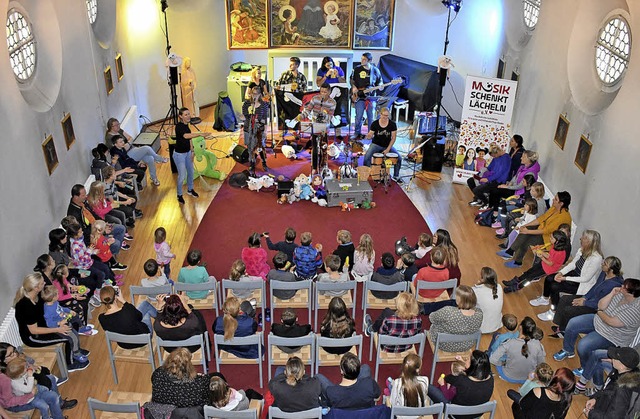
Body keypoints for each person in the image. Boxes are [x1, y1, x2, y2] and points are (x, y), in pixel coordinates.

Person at [552, 279, 640, 370]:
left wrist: (599, 312)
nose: (621, 287)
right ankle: (568, 350)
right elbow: (600, 305)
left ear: (631, 293)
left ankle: (585, 367)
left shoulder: (635, 310)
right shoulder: (619, 294)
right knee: (572, 323)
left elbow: (611, 322)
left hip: (611, 335)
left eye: (624, 287)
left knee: (583, 346)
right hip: (599, 321)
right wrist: (612, 293)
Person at [13, 273, 89, 372]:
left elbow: (51, 309)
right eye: (42, 283)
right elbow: (34, 330)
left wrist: (63, 315)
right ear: (36, 287)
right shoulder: (25, 306)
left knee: (72, 324)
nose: (45, 283)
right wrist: (58, 328)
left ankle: (76, 349)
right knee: (68, 337)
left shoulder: (38, 295)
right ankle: (71, 364)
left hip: (48, 325)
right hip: (34, 337)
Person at [530, 229, 604, 321]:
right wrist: (561, 273)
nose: (580, 239)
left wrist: (564, 278)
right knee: (549, 278)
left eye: (583, 238)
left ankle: (553, 311)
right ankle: (544, 298)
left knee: (555, 287)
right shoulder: (582, 250)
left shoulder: (597, 259)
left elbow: (585, 278)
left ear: (589, 241)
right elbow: (573, 264)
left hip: (581, 283)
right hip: (573, 275)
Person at [550, 256, 623, 337]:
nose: (602, 264)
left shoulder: (614, 285)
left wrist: (585, 303)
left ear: (611, 270)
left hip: (595, 306)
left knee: (569, 310)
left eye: (605, 264)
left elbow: (601, 304)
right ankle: (560, 325)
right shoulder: (604, 273)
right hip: (589, 298)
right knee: (564, 299)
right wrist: (584, 297)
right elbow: (595, 286)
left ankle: (563, 332)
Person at [499, 191, 572, 268]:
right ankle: (511, 253)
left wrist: (528, 231)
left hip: (549, 238)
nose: (553, 199)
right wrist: (525, 226)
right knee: (525, 231)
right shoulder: (554, 208)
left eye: (556, 199)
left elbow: (546, 231)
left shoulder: (563, 217)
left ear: (561, 203)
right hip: (542, 230)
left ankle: (515, 258)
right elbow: (541, 219)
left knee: (525, 240)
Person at [427, 350, 494, 417]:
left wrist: (443, 384)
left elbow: (448, 378)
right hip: (477, 413)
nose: (466, 359)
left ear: (472, 366)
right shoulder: (490, 379)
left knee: (427, 386)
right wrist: (463, 362)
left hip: (456, 414)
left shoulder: (461, 380)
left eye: (467, 359)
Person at [66, 183, 129, 253]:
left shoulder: (82, 203)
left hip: (98, 226)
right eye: (83, 195)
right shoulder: (74, 214)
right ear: (76, 197)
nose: (86, 196)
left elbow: (94, 214)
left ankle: (110, 252)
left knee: (121, 228)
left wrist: (104, 224)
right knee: (116, 243)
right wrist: (101, 230)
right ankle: (107, 256)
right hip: (92, 236)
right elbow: (84, 231)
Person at [2, 356, 70, 419]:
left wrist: (34, 369)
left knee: (53, 396)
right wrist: (30, 376)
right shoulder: (14, 383)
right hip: (27, 399)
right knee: (43, 405)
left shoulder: (20, 374)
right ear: (21, 373)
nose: (27, 367)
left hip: (34, 392)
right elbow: (28, 389)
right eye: (26, 367)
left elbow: (32, 373)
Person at [503, 229, 569, 294]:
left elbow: (550, 263)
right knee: (528, 272)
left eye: (551, 238)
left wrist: (541, 257)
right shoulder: (554, 246)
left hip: (547, 269)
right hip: (543, 264)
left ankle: (517, 287)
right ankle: (516, 281)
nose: (550, 239)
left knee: (529, 278)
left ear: (557, 241)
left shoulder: (560, 253)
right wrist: (542, 252)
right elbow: (550, 256)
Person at [581, 346, 640, 418]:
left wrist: (591, 414)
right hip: (603, 408)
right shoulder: (619, 371)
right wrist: (596, 399)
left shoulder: (622, 390)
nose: (612, 358)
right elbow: (606, 389)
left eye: (615, 358)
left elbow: (613, 417)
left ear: (622, 366)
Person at [490, 317, 545, 383]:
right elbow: (541, 363)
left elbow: (492, 359)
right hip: (527, 378)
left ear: (520, 327)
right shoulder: (538, 345)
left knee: (496, 338)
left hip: (508, 376)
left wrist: (502, 363)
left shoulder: (509, 343)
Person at [428, 285, 483, 352]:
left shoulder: (448, 311)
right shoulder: (479, 314)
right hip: (466, 345)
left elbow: (432, 318)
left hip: (444, 344)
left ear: (459, 300)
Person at [175, 107, 208, 204]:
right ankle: (179, 194)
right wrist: (200, 134)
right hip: (179, 155)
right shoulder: (179, 127)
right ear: (180, 116)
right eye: (185, 114)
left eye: (189, 114)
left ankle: (190, 189)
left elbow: (189, 140)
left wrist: (192, 151)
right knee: (182, 176)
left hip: (188, 153)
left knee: (191, 172)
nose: (188, 116)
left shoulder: (187, 126)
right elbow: (186, 136)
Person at [362, 107, 403, 182]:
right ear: (380, 114)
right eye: (384, 115)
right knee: (367, 157)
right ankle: (366, 173)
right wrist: (368, 136)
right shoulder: (375, 123)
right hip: (376, 144)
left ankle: (396, 176)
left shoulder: (392, 124)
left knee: (399, 158)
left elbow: (393, 138)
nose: (385, 117)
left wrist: (387, 149)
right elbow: (371, 134)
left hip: (387, 145)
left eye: (387, 116)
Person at [350, 52, 383, 140]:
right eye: (361, 59)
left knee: (371, 117)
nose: (362, 61)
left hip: (371, 97)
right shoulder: (357, 69)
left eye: (364, 59)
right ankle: (357, 133)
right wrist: (353, 87)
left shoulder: (375, 70)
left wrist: (380, 86)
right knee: (358, 116)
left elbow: (380, 81)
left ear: (370, 60)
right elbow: (352, 80)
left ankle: (370, 134)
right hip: (359, 96)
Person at [242, 83, 269, 175]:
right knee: (250, 147)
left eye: (256, 94)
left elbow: (265, 119)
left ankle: (264, 162)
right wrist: (249, 115)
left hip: (259, 130)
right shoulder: (246, 104)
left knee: (260, 147)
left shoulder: (264, 105)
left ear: (260, 94)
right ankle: (252, 163)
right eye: (253, 94)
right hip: (249, 128)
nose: (254, 96)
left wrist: (265, 130)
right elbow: (245, 116)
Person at [473, 267, 504, 334]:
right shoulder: (499, 287)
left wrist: (477, 285)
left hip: (481, 328)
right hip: (496, 325)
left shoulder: (476, 291)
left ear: (482, 279)